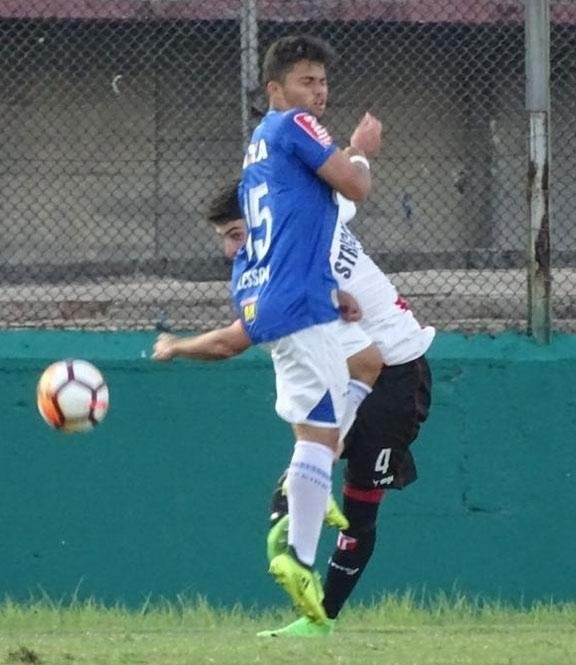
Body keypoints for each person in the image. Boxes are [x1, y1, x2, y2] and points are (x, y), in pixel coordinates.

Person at [154, 183, 434, 637]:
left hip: (397, 378)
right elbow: (349, 190)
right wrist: (359, 153)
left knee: (358, 511)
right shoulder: (311, 216)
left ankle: (320, 618)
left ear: (263, 222)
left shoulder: (286, 268)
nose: (230, 251)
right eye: (224, 238)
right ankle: (301, 572)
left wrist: (175, 345)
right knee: (294, 487)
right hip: (349, 370)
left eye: (235, 234)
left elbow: (231, 342)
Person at [226, 33, 380, 625]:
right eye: (305, 81)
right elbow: (356, 186)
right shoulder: (294, 125)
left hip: (284, 300)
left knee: (330, 409)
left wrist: (329, 286)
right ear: (275, 89)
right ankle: (298, 552)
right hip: (296, 306)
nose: (317, 93)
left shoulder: (258, 147)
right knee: (319, 436)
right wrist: (361, 151)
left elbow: (292, 226)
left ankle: (300, 528)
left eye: (322, 82)